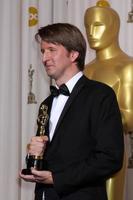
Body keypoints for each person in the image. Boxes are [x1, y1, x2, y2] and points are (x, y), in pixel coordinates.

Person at [20, 22, 124, 200]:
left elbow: (110, 158)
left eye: (52, 50)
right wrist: (33, 158)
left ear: (74, 54)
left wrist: (57, 178)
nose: (45, 58)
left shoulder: (100, 95)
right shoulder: (46, 103)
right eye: (43, 51)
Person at [84, 1, 133, 200]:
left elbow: (129, 120)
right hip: (81, 153)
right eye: (87, 27)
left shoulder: (127, 67)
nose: (90, 33)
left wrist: (90, 121)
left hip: (110, 149)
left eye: (97, 25)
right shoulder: (85, 69)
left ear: (114, 27)